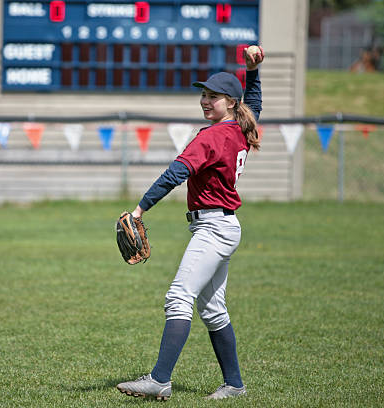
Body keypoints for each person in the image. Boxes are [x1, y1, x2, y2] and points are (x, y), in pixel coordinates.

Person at [116, 46, 265, 401]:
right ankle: (234, 385)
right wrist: (253, 72)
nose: (205, 100)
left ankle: (159, 380)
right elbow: (254, 105)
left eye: (213, 96)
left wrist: (139, 210)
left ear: (230, 102)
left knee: (178, 297)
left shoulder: (212, 137)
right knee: (212, 308)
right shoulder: (240, 127)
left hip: (214, 228)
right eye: (203, 94)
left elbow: (175, 174)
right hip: (223, 227)